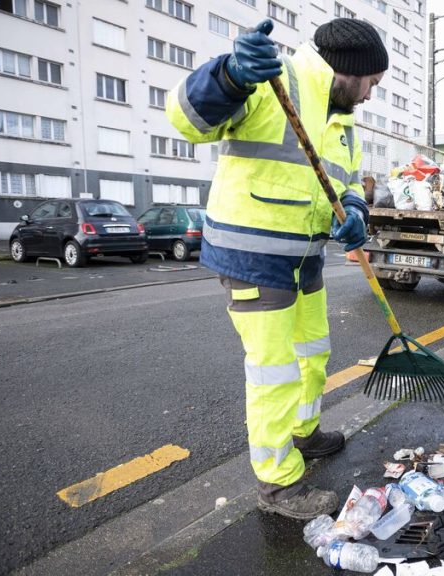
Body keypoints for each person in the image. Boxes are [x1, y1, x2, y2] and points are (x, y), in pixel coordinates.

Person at [166, 18, 387, 520]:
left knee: (313, 351)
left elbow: (348, 182)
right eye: (372, 83)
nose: (372, 94)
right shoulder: (271, 80)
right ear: (348, 72)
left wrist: (355, 212)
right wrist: (230, 76)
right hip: (253, 256)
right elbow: (185, 119)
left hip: (305, 256)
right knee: (275, 372)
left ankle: (303, 434)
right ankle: (279, 484)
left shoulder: (343, 120)